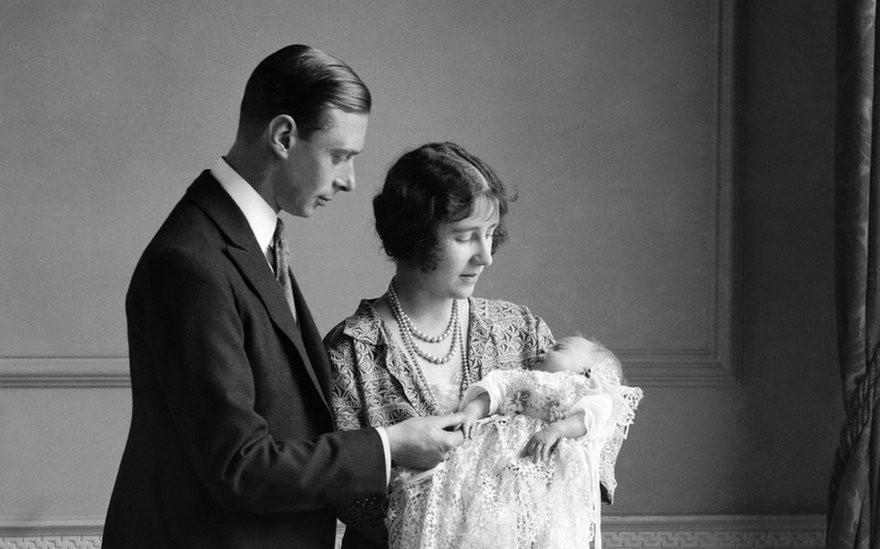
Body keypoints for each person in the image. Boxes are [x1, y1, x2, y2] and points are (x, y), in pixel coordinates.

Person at [102, 45, 465, 549]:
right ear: (283, 136)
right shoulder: (189, 262)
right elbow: (241, 466)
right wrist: (390, 446)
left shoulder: (249, 241)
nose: (349, 181)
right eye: (340, 156)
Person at [327, 142, 551, 548]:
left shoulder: (521, 331)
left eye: (490, 235)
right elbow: (345, 491)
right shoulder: (351, 353)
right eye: (465, 237)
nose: (486, 256)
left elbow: (588, 435)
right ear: (415, 236)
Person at [385, 336, 643, 549]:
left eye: (558, 348)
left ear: (586, 371)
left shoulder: (583, 389)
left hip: (540, 458)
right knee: (479, 502)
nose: (544, 349)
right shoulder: (521, 377)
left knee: (538, 518)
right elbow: (495, 390)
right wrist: (471, 413)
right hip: (493, 455)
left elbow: (588, 418)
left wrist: (555, 430)